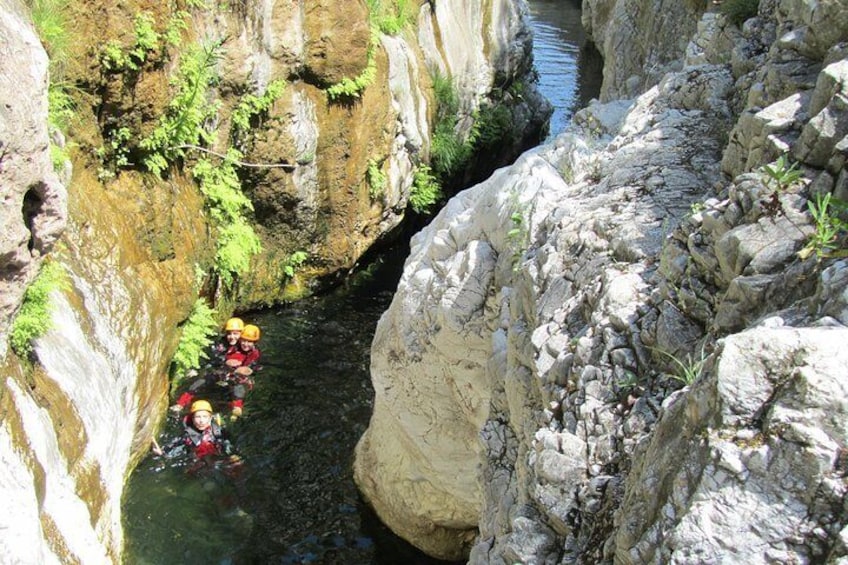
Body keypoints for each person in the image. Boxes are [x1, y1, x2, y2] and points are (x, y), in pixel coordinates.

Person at [169, 317, 246, 414]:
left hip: (235, 376)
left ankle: (237, 408)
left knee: (239, 387)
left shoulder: (246, 346)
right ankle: (181, 403)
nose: (232, 337)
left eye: (235, 334)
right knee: (199, 383)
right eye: (229, 333)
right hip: (219, 372)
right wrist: (224, 362)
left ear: (242, 334)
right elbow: (210, 358)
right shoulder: (220, 344)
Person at [153, 400, 241, 474]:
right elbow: (173, 447)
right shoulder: (187, 435)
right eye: (198, 417)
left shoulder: (219, 431)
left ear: (210, 418)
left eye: (205, 417)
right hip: (199, 461)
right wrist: (161, 452)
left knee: (237, 464)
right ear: (192, 419)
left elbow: (228, 443)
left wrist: (232, 455)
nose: (201, 421)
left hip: (217, 458)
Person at [223, 324, 262, 420]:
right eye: (243, 340)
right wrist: (226, 362)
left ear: (255, 342)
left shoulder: (255, 353)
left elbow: (255, 368)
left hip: (242, 378)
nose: (245, 344)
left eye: (249, 342)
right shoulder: (234, 349)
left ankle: (237, 407)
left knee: (239, 384)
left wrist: (247, 370)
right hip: (229, 374)